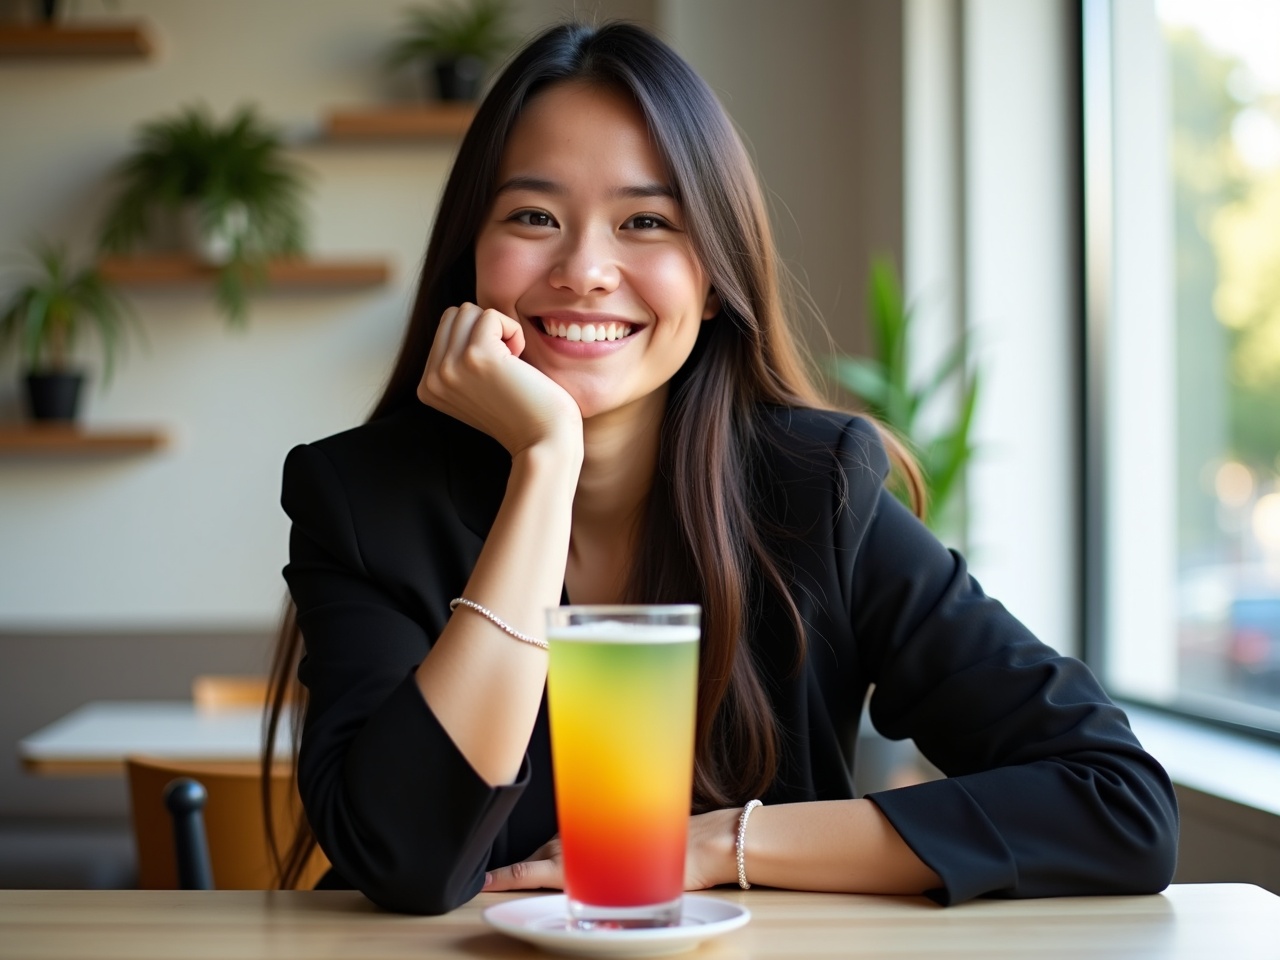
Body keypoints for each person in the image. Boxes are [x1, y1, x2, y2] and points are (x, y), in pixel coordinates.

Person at [264, 20, 1178, 915]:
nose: (585, 268)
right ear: (472, 256)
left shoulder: (813, 490)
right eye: (534, 216)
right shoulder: (360, 500)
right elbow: (411, 861)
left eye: (647, 220)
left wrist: (717, 844)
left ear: (711, 284)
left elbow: (1117, 804)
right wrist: (544, 462)